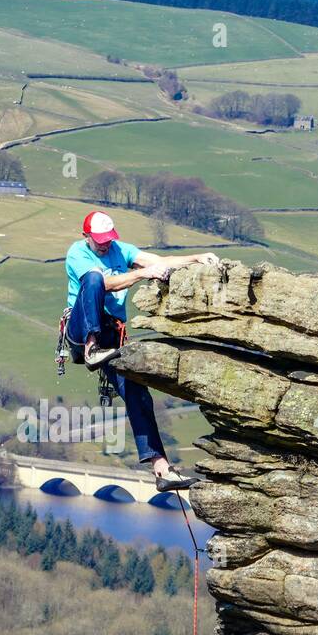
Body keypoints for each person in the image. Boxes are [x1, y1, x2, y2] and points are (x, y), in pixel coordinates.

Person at [64, 211, 219, 492]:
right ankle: (91, 348)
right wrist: (141, 274)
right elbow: (105, 283)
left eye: (108, 240)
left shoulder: (121, 250)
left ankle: (162, 469)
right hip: (81, 329)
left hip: (113, 334)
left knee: (137, 392)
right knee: (95, 280)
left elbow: (159, 262)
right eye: (99, 240)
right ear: (85, 236)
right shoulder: (77, 253)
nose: (104, 245)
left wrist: (196, 257)